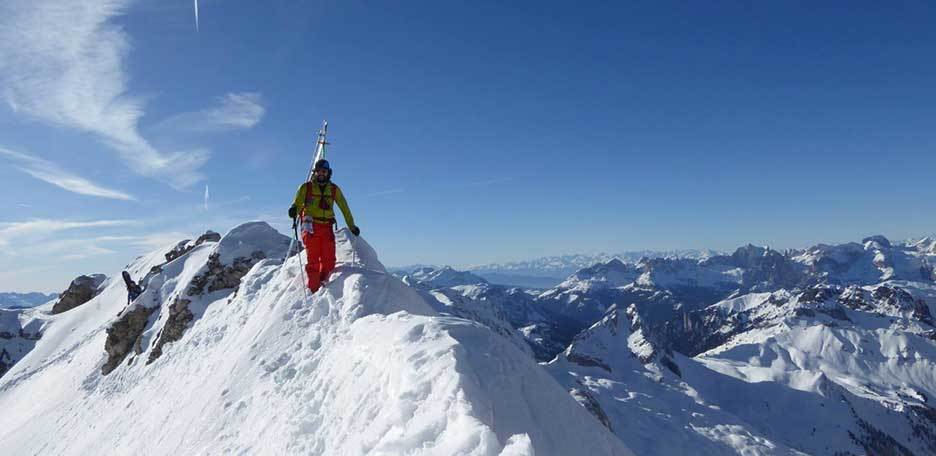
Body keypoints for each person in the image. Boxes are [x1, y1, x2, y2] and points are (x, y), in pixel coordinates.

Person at [289, 159, 360, 292]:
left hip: (327, 227)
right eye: (319, 171)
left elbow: (344, 207)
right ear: (314, 172)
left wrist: (352, 226)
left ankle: (323, 283)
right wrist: (294, 209)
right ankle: (314, 289)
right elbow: (297, 203)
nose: (321, 174)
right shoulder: (306, 188)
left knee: (329, 261)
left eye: (324, 171)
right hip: (310, 227)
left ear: (328, 173)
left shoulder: (334, 190)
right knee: (314, 260)